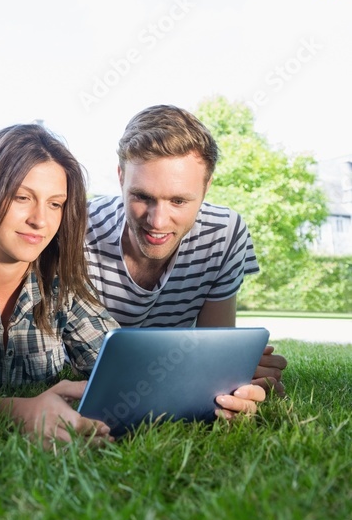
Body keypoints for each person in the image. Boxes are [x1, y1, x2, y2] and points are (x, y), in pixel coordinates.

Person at [0, 124, 265, 446]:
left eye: (55, 204)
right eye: (22, 198)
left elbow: (121, 365)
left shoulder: (57, 277)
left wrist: (215, 398)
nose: (40, 220)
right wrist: (16, 409)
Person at [85, 105, 286, 394]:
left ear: (206, 188)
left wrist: (233, 370)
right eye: (142, 196)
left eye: (178, 201)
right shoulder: (80, 228)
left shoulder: (225, 233)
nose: (157, 221)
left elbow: (215, 343)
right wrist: (208, 366)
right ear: (120, 177)